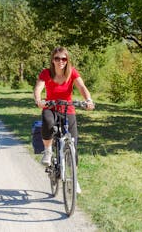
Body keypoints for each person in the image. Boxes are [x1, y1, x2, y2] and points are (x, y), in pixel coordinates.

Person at [33, 47, 95, 193]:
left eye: (64, 59)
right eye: (57, 58)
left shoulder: (72, 72)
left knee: (73, 144)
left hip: (68, 109)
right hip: (51, 107)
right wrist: (38, 100)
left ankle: (74, 179)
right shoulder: (46, 73)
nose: (60, 61)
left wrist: (89, 100)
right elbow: (38, 88)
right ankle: (48, 151)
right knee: (47, 123)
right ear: (52, 60)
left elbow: (82, 87)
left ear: (67, 60)